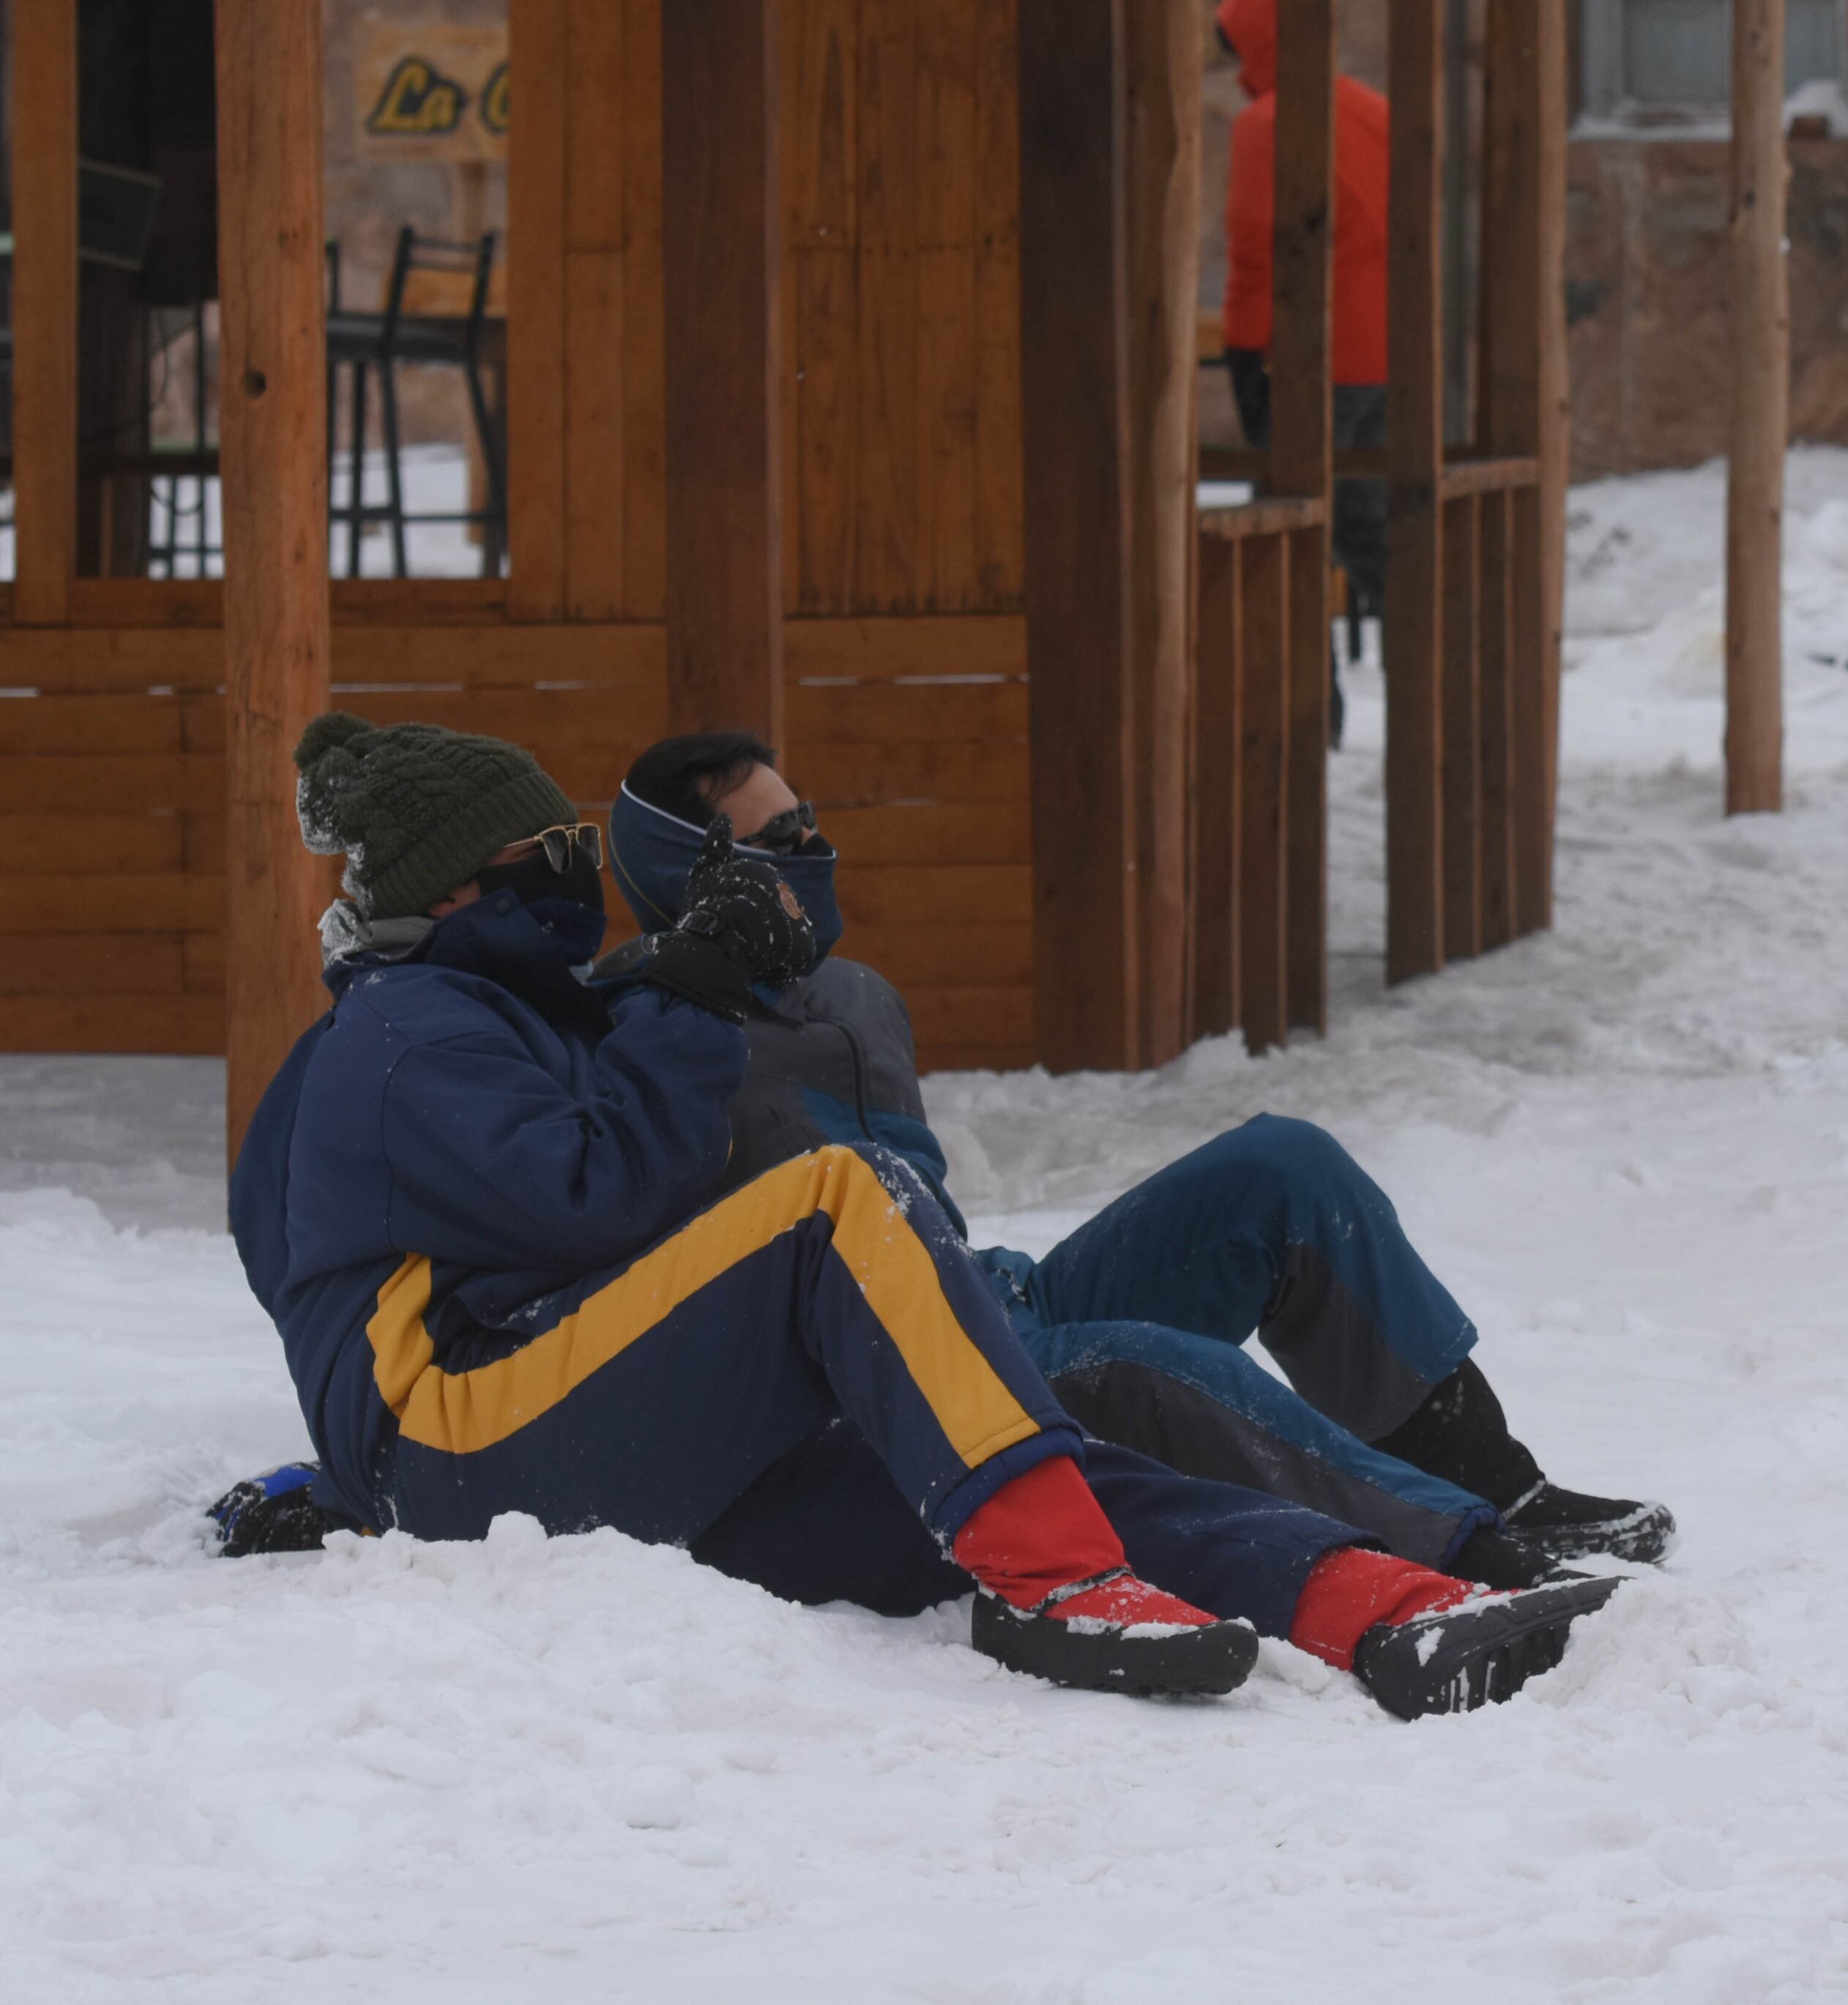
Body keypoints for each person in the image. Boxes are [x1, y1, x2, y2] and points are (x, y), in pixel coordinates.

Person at [225, 715, 1617, 1716]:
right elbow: (601, 1202)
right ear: (455, 887)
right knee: (862, 1214)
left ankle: (1376, 1607)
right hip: (472, 1433)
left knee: (1028, 1463)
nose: (571, 873)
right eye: (554, 850)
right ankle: (1072, 1582)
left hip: (667, 1425)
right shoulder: (406, 1030)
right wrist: (347, 1467)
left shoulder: (591, 1012)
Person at [580, 729, 1674, 1588]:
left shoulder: (858, 997)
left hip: (990, 1301)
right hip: (899, 1386)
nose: (812, 851)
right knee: (1149, 1361)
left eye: (809, 820)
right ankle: (1453, 1546)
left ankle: (1493, 1481)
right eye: (778, 840)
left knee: (1284, 1168)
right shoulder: (636, 1034)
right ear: (700, 872)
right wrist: (685, 990)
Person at [1215, 0, 1393, 637]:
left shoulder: (1265, 127)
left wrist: (1242, 356)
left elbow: (1256, 255)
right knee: (1372, 530)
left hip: (1309, 360)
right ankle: (1431, 689)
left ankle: (1301, 711)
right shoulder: (1376, 112)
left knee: (1286, 540)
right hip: (1383, 358)